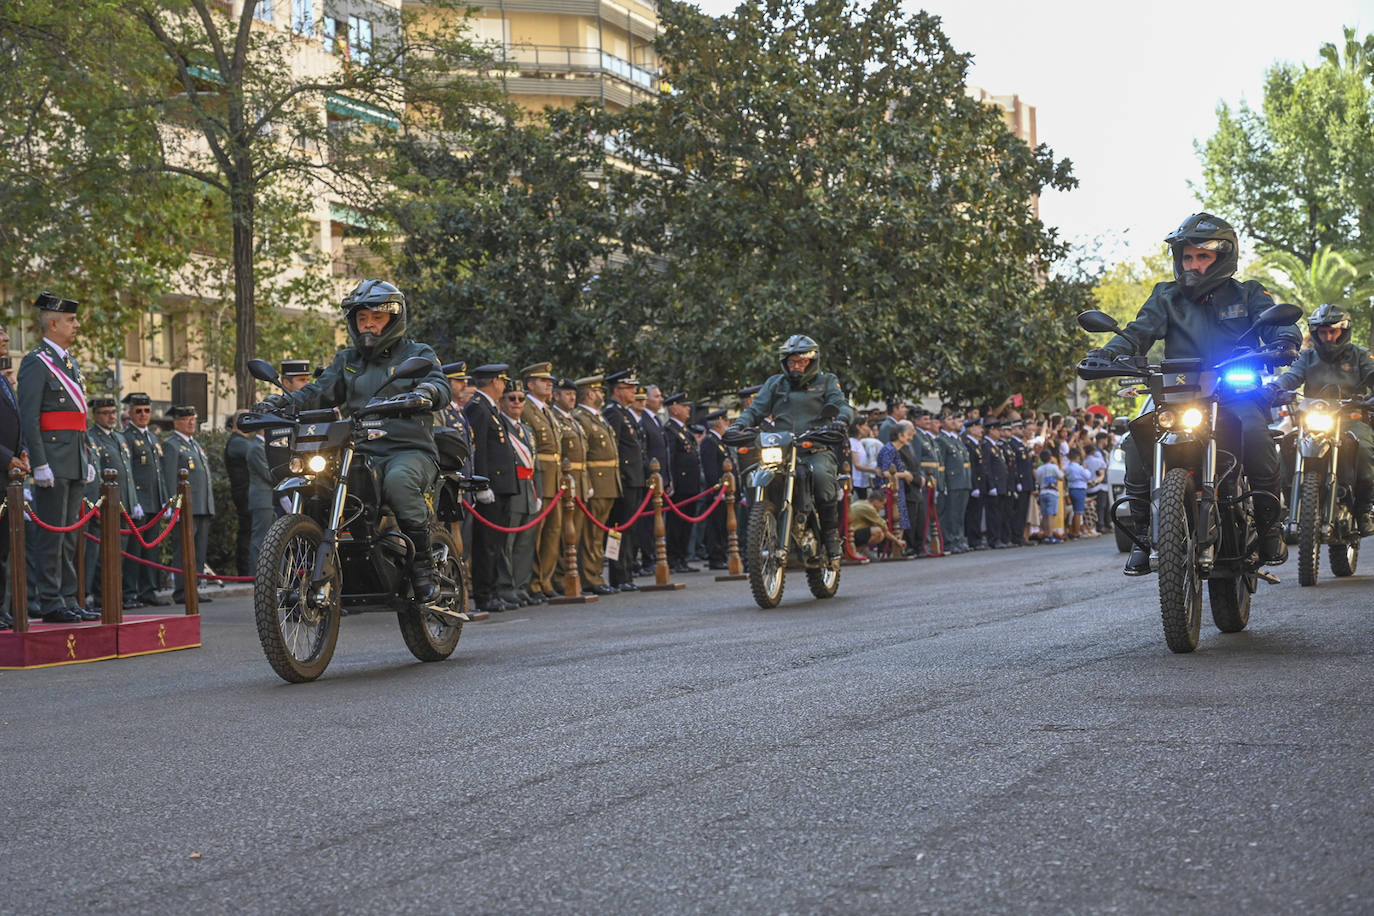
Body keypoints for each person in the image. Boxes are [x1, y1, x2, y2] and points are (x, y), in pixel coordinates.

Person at [1083, 212, 1301, 574]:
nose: (1193, 265)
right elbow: (1139, 331)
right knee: (1136, 434)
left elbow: (1280, 327)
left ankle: (1268, 526)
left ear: (1222, 257)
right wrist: (1106, 353)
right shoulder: (1165, 296)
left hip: (1233, 390)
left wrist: (1285, 343)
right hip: (1177, 391)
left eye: (1203, 257)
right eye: (1188, 257)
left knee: (1255, 431)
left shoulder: (1248, 293)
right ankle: (1142, 534)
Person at [255, 279, 450, 602]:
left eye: (376, 318)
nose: (368, 325)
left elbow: (438, 383)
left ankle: (423, 569)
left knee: (399, 483)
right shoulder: (348, 359)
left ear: (393, 318)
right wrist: (281, 402)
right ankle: (320, 569)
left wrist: (425, 392)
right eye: (362, 319)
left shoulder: (417, 353)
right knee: (321, 485)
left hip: (407, 449)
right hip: (358, 449)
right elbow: (317, 392)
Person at [730, 335, 855, 561]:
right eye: (791, 362)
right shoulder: (775, 383)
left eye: (801, 362)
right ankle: (767, 524)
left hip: (815, 448)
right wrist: (740, 424)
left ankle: (830, 535)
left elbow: (841, 405)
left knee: (819, 476)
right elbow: (756, 410)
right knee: (757, 474)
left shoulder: (826, 381)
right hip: (783, 450)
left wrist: (842, 420)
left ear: (811, 361)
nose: (795, 366)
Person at [18, 291, 98, 623]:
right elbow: (29, 416)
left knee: (70, 535)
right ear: (53, 323)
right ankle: (50, 600)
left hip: (73, 458)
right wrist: (38, 463)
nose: (76, 325)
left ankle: (68, 596)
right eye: (71, 320)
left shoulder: (69, 362)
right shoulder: (36, 362)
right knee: (52, 534)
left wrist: (87, 456)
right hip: (51, 458)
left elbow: (80, 416)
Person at [1274, 303, 1374, 535]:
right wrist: (1275, 387)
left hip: (1351, 419)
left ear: (1343, 331)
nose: (1327, 337)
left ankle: (1364, 509)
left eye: (1332, 331)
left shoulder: (1359, 355)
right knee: (1288, 445)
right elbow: (1292, 376)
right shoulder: (1307, 357)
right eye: (1322, 332)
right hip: (1313, 419)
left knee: (1365, 449)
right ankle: (1291, 506)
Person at [464, 364, 518, 613]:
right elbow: (479, 450)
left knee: (497, 543)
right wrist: (481, 483)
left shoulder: (489, 408)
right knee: (486, 544)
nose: (504, 386)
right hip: (491, 487)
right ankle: (485, 594)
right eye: (503, 381)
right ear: (494, 381)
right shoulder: (478, 407)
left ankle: (494, 591)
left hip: (503, 486)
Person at [84, 395, 139, 611]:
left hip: (122, 505)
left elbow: (128, 472)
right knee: (99, 554)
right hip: (104, 505)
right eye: (106, 413)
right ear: (95, 415)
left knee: (119, 554)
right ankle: (98, 596)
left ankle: (114, 593)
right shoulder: (91, 437)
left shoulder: (120, 438)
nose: (111, 417)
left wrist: (133, 502)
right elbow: (95, 474)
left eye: (113, 412)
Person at [160, 405, 216, 604]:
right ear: (176, 422)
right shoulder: (172, 445)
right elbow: (168, 477)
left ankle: (194, 588)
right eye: (187, 419)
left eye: (194, 418)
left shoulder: (194, 444)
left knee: (198, 550)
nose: (191, 422)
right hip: (185, 507)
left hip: (201, 505)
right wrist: (171, 505)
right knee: (184, 549)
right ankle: (182, 591)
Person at [520, 362, 563, 601]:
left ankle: (545, 580)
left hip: (555, 478)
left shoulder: (549, 411)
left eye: (550, 381)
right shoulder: (526, 408)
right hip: (539, 477)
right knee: (536, 534)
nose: (550, 384)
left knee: (553, 532)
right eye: (543, 380)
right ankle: (532, 581)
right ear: (530, 384)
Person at [121, 392, 168, 606]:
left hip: (154, 502)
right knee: (135, 551)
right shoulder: (127, 437)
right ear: (130, 413)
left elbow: (159, 472)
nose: (143, 414)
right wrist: (133, 501)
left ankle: (148, 591)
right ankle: (130, 592)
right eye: (138, 411)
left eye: (146, 411)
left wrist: (165, 500)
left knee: (151, 550)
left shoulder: (152, 437)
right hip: (138, 503)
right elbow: (128, 472)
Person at [574, 374, 620, 596]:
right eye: (599, 391)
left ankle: (597, 574)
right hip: (596, 480)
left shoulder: (597, 417)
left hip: (608, 481)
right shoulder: (581, 417)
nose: (602, 395)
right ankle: (590, 577)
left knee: (598, 535)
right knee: (590, 535)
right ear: (590, 394)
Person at [496, 382, 541, 606]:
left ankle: (522, 586)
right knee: (508, 543)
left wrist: (539, 492)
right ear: (502, 401)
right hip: (512, 490)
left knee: (525, 543)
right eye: (511, 398)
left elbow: (536, 465)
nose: (516, 403)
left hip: (528, 491)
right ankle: (507, 587)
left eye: (521, 399)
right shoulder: (501, 427)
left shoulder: (528, 430)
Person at [602, 369, 647, 589]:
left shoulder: (626, 413)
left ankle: (627, 572)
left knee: (630, 529)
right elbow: (614, 448)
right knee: (618, 529)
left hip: (635, 478)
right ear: (618, 391)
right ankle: (618, 575)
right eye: (630, 388)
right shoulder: (614, 413)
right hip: (625, 479)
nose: (635, 392)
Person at [0, 319, 25, 629]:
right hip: (3, 468)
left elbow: (14, 420)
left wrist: (23, 451)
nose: (6, 338)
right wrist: (8, 458)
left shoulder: (3, 380)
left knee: (3, 550)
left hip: (7, 478)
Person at [663, 392, 701, 573]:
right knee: (676, 524)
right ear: (674, 408)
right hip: (679, 486)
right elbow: (669, 458)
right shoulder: (670, 430)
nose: (688, 409)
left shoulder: (685, 431)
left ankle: (682, 557)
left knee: (687, 524)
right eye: (684, 406)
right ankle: (674, 558)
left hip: (690, 486)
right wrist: (670, 480)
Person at [223, 410, 256, 575]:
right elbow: (257, 451)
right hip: (245, 494)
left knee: (250, 531)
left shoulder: (243, 441)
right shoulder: (237, 442)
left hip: (248, 493)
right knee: (248, 532)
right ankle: (246, 572)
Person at [1034, 449, 1064, 543]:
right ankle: (1050, 535)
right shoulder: (1054, 467)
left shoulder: (1040, 469)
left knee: (1045, 514)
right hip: (1052, 492)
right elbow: (1061, 477)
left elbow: (1038, 480)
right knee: (1050, 514)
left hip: (1043, 492)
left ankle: (1045, 533)